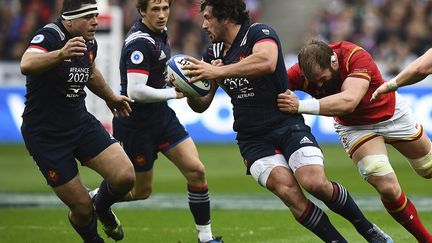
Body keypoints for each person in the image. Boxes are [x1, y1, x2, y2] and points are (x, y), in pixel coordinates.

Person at [181, 0, 392, 242]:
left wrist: (220, 71)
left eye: (208, 17)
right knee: (288, 191)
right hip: (252, 137)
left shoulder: (259, 33)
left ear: (226, 17)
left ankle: (367, 229)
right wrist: (190, 88)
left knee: (315, 183)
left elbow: (267, 62)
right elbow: (201, 106)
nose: (204, 24)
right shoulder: (212, 53)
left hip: (286, 124)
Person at [278, 39, 432, 242]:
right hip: (355, 128)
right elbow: (269, 90)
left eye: (322, 79)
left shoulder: (354, 56)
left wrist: (300, 106)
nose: (319, 85)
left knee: (428, 169)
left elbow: (350, 101)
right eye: (314, 82)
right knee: (387, 186)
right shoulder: (301, 73)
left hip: (392, 114)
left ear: (334, 63)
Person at [102, 1, 221, 242]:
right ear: (142, 12)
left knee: (196, 171)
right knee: (140, 191)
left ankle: (206, 238)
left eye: (165, 8)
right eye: (155, 10)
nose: (162, 15)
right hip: (135, 123)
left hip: (161, 117)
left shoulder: (161, 33)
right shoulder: (139, 43)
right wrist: (174, 93)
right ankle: (96, 201)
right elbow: (136, 91)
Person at [19, 0, 136, 242]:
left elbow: (90, 71)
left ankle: (101, 206)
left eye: (95, 15)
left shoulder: (89, 41)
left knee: (125, 176)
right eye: (88, 17)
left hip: (79, 123)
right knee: (82, 209)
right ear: (69, 20)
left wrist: (110, 97)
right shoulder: (51, 35)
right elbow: (26, 63)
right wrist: (60, 54)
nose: (94, 21)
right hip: (46, 136)